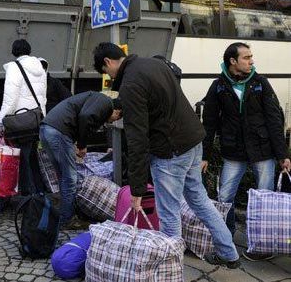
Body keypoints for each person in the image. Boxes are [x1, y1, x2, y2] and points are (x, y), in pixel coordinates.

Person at [93, 42, 240, 268]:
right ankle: (229, 253)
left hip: (170, 152)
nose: (109, 76)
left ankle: (171, 269)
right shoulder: (154, 64)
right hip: (192, 141)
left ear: (108, 62)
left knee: (169, 213)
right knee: (200, 201)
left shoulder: (130, 83)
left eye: (106, 72)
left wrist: (137, 188)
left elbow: (137, 139)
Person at [201, 42, 291, 261]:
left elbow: (274, 119)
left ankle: (261, 245)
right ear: (233, 61)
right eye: (246, 57)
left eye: (251, 57)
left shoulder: (260, 83)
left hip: (263, 151)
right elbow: (209, 122)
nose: (251, 61)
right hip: (234, 151)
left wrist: (283, 155)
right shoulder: (218, 86)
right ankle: (227, 237)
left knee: (265, 199)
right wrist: (204, 156)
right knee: (225, 198)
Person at [39, 91, 122, 230]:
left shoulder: (95, 98)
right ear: (117, 112)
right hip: (59, 132)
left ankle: (65, 213)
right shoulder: (106, 103)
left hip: (47, 129)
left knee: (63, 177)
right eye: (114, 119)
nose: (111, 121)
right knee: (70, 178)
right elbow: (85, 117)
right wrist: (82, 145)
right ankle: (67, 220)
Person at [0, 39, 47, 195]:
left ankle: (28, 196)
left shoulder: (14, 68)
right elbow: (42, 95)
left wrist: (1, 119)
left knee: (23, 159)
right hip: (35, 118)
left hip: (21, 120)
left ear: (14, 52)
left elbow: (10, 97)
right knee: (32, 157)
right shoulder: (40, 67)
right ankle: (39, 191)